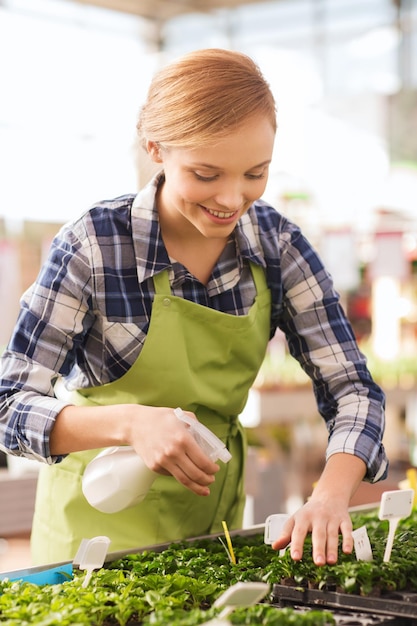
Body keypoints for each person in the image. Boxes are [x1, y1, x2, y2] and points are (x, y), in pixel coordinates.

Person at [0, 48, 387, 567]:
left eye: (255, 173)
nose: (231, 198)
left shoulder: (279, 247)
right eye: (206, 174)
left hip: (208, 536)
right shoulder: (94, 245)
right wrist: (132, 423)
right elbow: (10, 407)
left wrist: (330, 495)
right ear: (155, 148)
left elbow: (353, 390)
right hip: (89, 538)